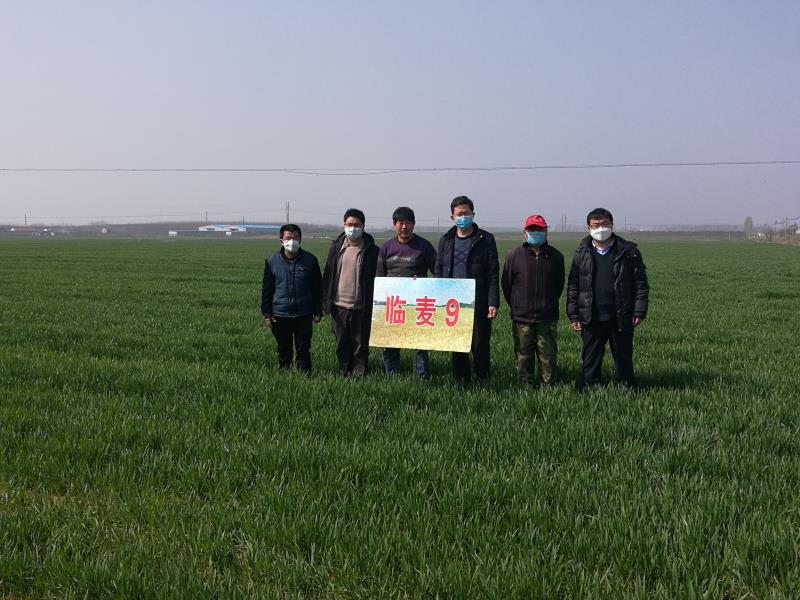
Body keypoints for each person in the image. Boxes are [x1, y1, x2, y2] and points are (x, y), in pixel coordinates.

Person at [566, 208, 649, 390]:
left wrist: (639, 310)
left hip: (621, 314)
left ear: (612, 225)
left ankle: (626, 387)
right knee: (590, 357)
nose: (600, 229)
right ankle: (589, 387)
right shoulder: (582, 252)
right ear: (588, 228)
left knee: (623, 356)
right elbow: (573, 285)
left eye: (604, 224)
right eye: (596, 225)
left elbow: (641, 284)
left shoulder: (628, 251)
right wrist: (574, 315)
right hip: (592, 315)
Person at [434, 195, 499, 382]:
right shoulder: (446, 240)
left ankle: (483, 380)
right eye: (459, 214)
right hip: (453, 303)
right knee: (457, 344)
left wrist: (492, 302)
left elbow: (493, 273)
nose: (463, 217)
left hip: (478, 300)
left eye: (466, 213)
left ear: (473, 214)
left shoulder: (486, 239)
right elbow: (439, 270)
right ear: (452, 217)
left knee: (480, 344)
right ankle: (461, 381)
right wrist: (439, 298)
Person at [501, 214, 565, 385]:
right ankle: (525, 387)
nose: (535, 232)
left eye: (539, 229)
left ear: (546, 232)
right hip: (522, 317)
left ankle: (548, 388)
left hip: (547, 317)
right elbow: (507, 285)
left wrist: (547, 303)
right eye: (532, 229)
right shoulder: (514, 255)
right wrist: (517, 304)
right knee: (523, 355)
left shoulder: (556, 257)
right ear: (525, 232)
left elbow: (559, 285)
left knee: (548, 356)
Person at [377, 206, 437, 376]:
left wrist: (423, 283)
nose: (404, 227)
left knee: (419, 343)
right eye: (400, 223)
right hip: (393, 303)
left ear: (414, 224)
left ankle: (422, 376)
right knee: (390, 341)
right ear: (394, 224)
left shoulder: (424, 246)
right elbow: (379, 276)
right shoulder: (386, 247)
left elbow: (438, 272)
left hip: (417, 304)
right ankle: (392, 375)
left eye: (408, 223)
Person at [322, 208, 379, 377]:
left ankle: (359, 372)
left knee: (360, 342)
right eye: (349, 224)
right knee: (341, 341)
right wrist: (325, 301)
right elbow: (328, 274)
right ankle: (344, 369)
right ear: (344, 225)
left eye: (357, 225)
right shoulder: (336, 247)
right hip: (338, 304)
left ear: (363, 226)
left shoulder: (372, 250)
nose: (353, 228)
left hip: (361, 304)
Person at [260, 224, 322, 372]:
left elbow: (317, 288)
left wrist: (318, 311)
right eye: (288, 238)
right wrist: (267, 313)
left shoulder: (310, 260)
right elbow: (267, 290)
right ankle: (284, 374)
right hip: (280, 314)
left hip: (304, 314)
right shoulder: (272, 261)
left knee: (303, 349)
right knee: (283, 349)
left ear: (300, 240)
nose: (292, 241)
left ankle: (305, 376)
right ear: (281, 241)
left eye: (295, 238)